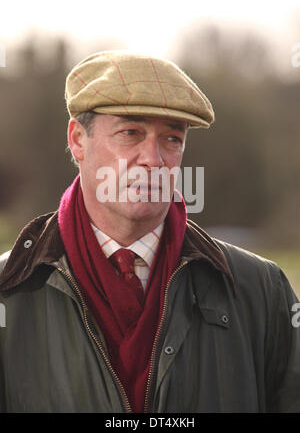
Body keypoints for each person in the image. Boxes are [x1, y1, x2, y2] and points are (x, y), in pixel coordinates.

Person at [0, 50, 299, 413]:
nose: (153, 159)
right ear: (78, 140)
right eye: (130, 133)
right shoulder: (9, 292)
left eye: (172, 139)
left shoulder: (261, 291)